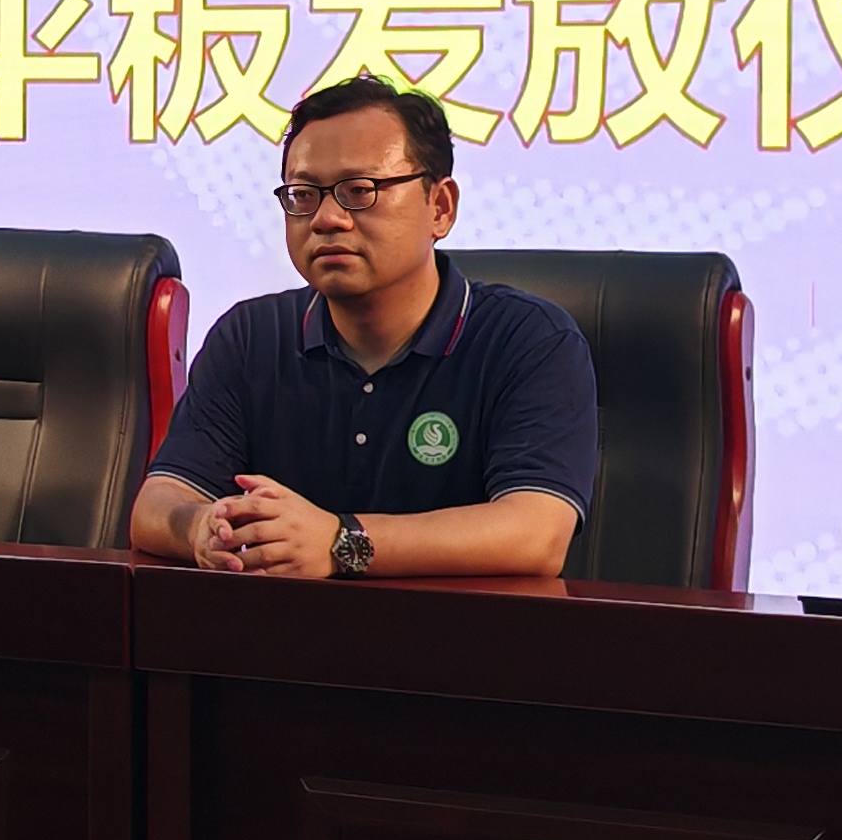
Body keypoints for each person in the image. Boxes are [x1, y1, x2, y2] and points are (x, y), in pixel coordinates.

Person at [129, 75, 597, 579]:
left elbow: (536, 534)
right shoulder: (250, 337)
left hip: (463, 628)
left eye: (359, 191)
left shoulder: (529, 340)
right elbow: (157, 505)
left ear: (440, 208)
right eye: (304, 194)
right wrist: (200, 527)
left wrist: (340, 541)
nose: (327, 218)